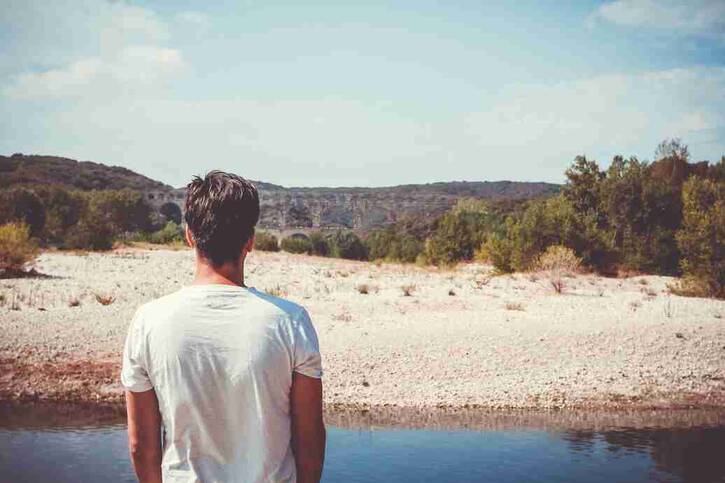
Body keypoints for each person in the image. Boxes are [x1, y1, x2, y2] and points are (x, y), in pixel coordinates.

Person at [121, 171, 325, 483]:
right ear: (250, 241)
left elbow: (142, 447)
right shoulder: (291, 322)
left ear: (189, 235)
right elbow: (309, 441)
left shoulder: (147, 321)